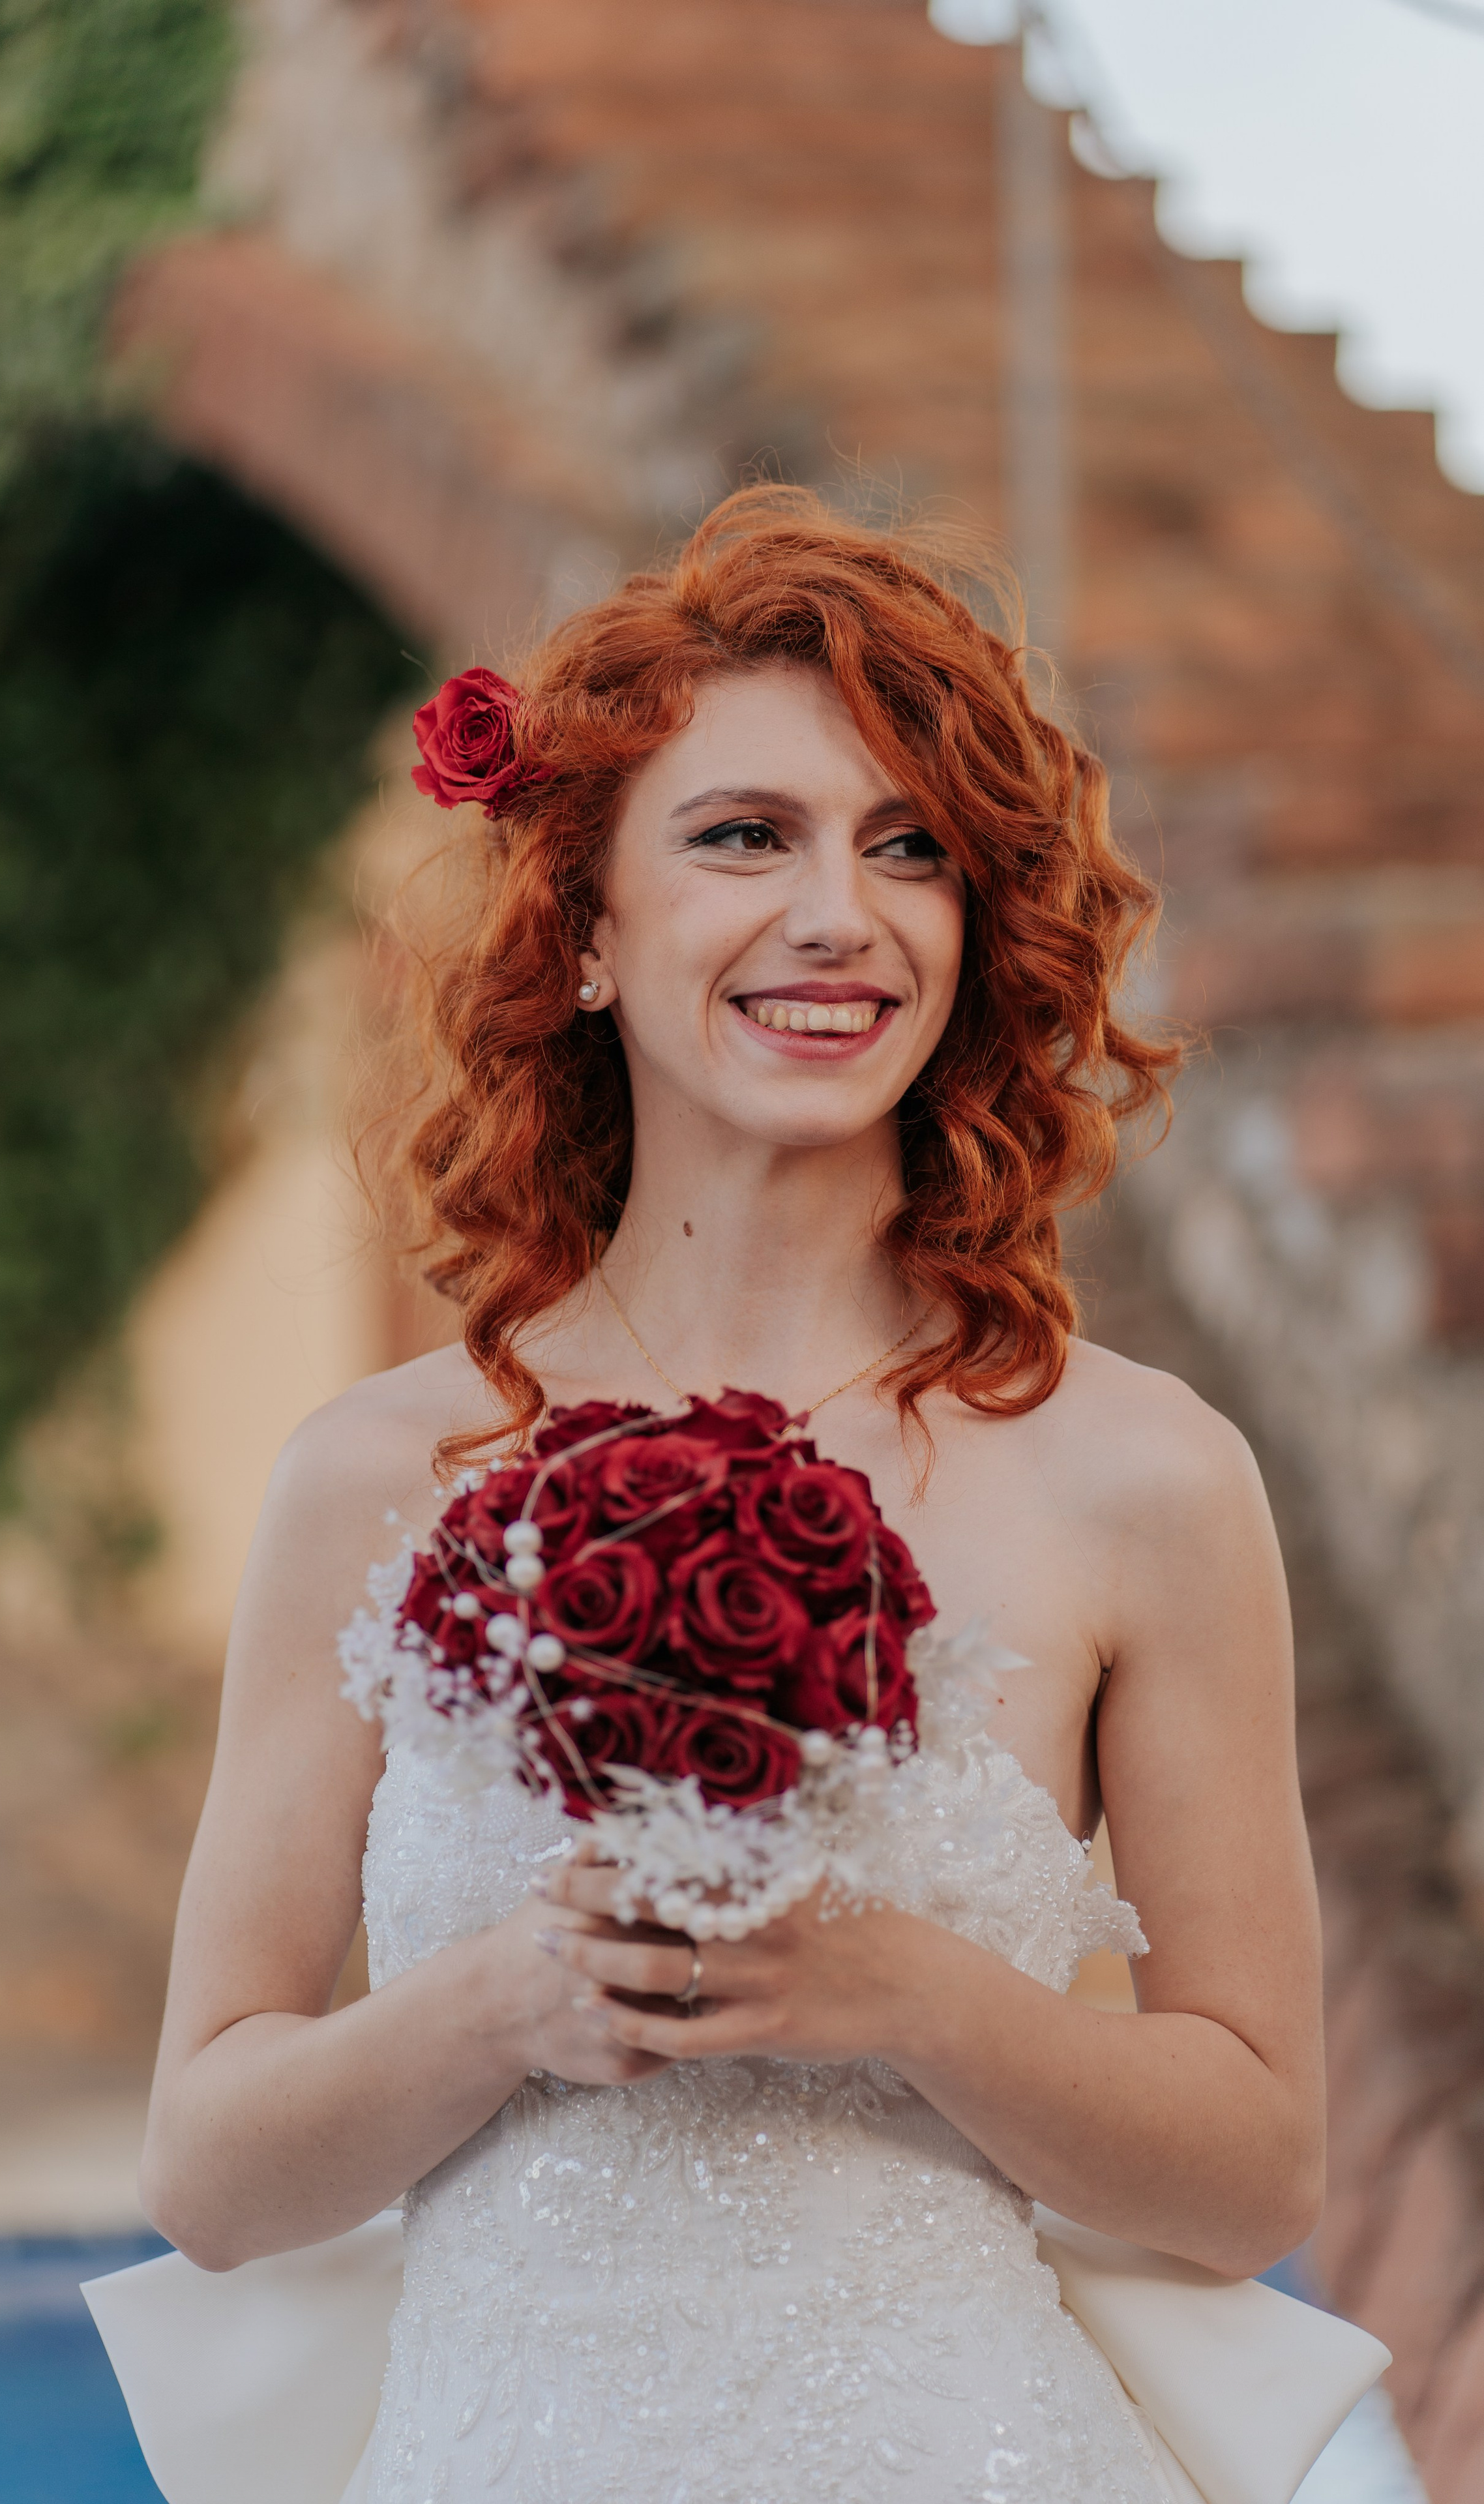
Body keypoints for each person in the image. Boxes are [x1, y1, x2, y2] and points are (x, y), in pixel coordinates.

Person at [139, 488, 1326, 2502]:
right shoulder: (376, 1475)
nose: (839, 920)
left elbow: (1257, 2172)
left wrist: (904, 1994)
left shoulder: (1145, 1478)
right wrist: (503, 2004)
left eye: (911, 853)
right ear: (587, 931)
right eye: (742, 838)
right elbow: (209, 2172)